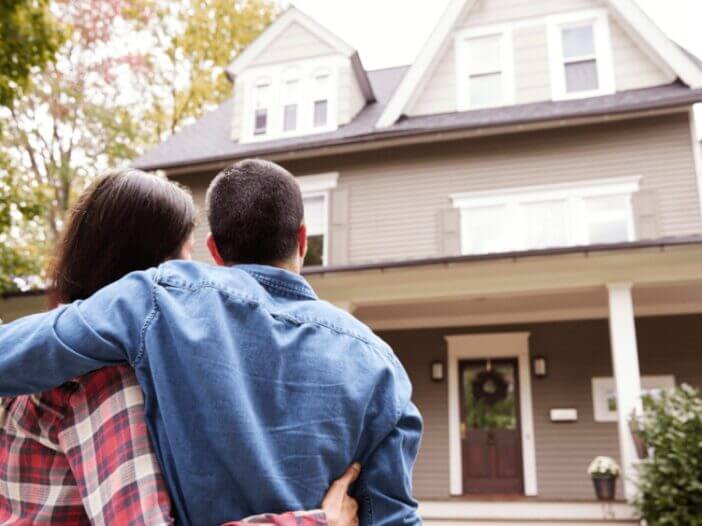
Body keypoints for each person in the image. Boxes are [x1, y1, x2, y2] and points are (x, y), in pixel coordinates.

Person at [0, 160, 423, 525]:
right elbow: (393, 515)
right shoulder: (381, 365)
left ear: (214, 250)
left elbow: (17, 353)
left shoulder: (154, 301)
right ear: (302, 240)